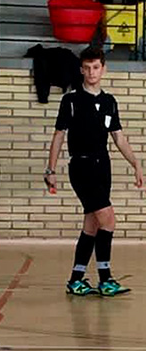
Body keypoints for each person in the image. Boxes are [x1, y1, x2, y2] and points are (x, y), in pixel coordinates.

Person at [46, 46, 142, 297]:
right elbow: (58, 136)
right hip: (82, 166)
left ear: (103, 69)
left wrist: (136, 163)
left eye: (96, 67)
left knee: (92, 224)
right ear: (81, 70)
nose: (91, 72)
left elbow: (119, 138)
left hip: (103, 166)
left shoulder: (110, 102)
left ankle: (76, 279)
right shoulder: (71, 101)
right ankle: (106, 278)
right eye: (87, 68)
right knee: (108, 219)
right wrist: (51, 169)